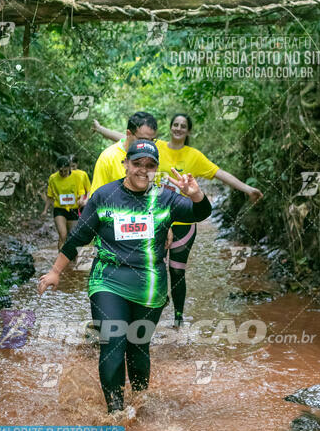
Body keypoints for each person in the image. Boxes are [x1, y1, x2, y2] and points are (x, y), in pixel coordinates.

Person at [38, 140, 212, 414]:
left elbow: (200, 213)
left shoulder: (165, 198)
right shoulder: (105, 195)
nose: (143, 170)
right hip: (108, 281)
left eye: (150, 165)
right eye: (137, 163)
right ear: (126, 164)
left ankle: (139, 405)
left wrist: (196, 194)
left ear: (156, 169)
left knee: (138, 348)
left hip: (150, 288)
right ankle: (116, 414)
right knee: (113, 343)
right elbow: (78, 236)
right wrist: (55, 271)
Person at [93, 113, 264, 326]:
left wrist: (247, 189)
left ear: (188, 131)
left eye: (183, 126)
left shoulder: (194, 156)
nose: (179, 128)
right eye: (175, 124)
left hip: (183, 223)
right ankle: (142, 309)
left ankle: (178, 317)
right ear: (170, 127)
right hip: (156, 222)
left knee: (176, 269)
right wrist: (101, 129)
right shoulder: (156, 148)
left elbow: (219, 173)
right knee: (153, 265)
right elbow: (130, 139)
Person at [42, 156, 87, 250]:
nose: (63, 173)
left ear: (70, 168)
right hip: (60, 209)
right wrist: (45, 210)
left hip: (73, 209)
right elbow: (50, 196)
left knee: (72, 237)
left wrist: (81, 199)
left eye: (65, 171)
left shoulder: (77, 176)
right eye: (60, 171)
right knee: (63, 235)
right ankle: (60, 260)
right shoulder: (53, 178)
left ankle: (73, 262)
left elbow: (81, 192)